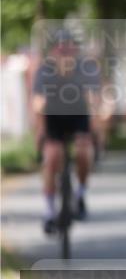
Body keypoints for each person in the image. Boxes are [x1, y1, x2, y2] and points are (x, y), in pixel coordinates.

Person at [31, 29, 101, 235]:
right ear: (54, 51)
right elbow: (36, 100)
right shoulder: (45, 71)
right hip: (54, 117)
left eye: (70, 49)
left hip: (78, 116)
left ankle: (80, 194)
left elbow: (94, 97)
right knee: (52, 158)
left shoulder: (86, 69)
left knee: (83, 152)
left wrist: (98, 109)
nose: (65, 54)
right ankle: (49, 211)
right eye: (61, 50)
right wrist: (40, 107)